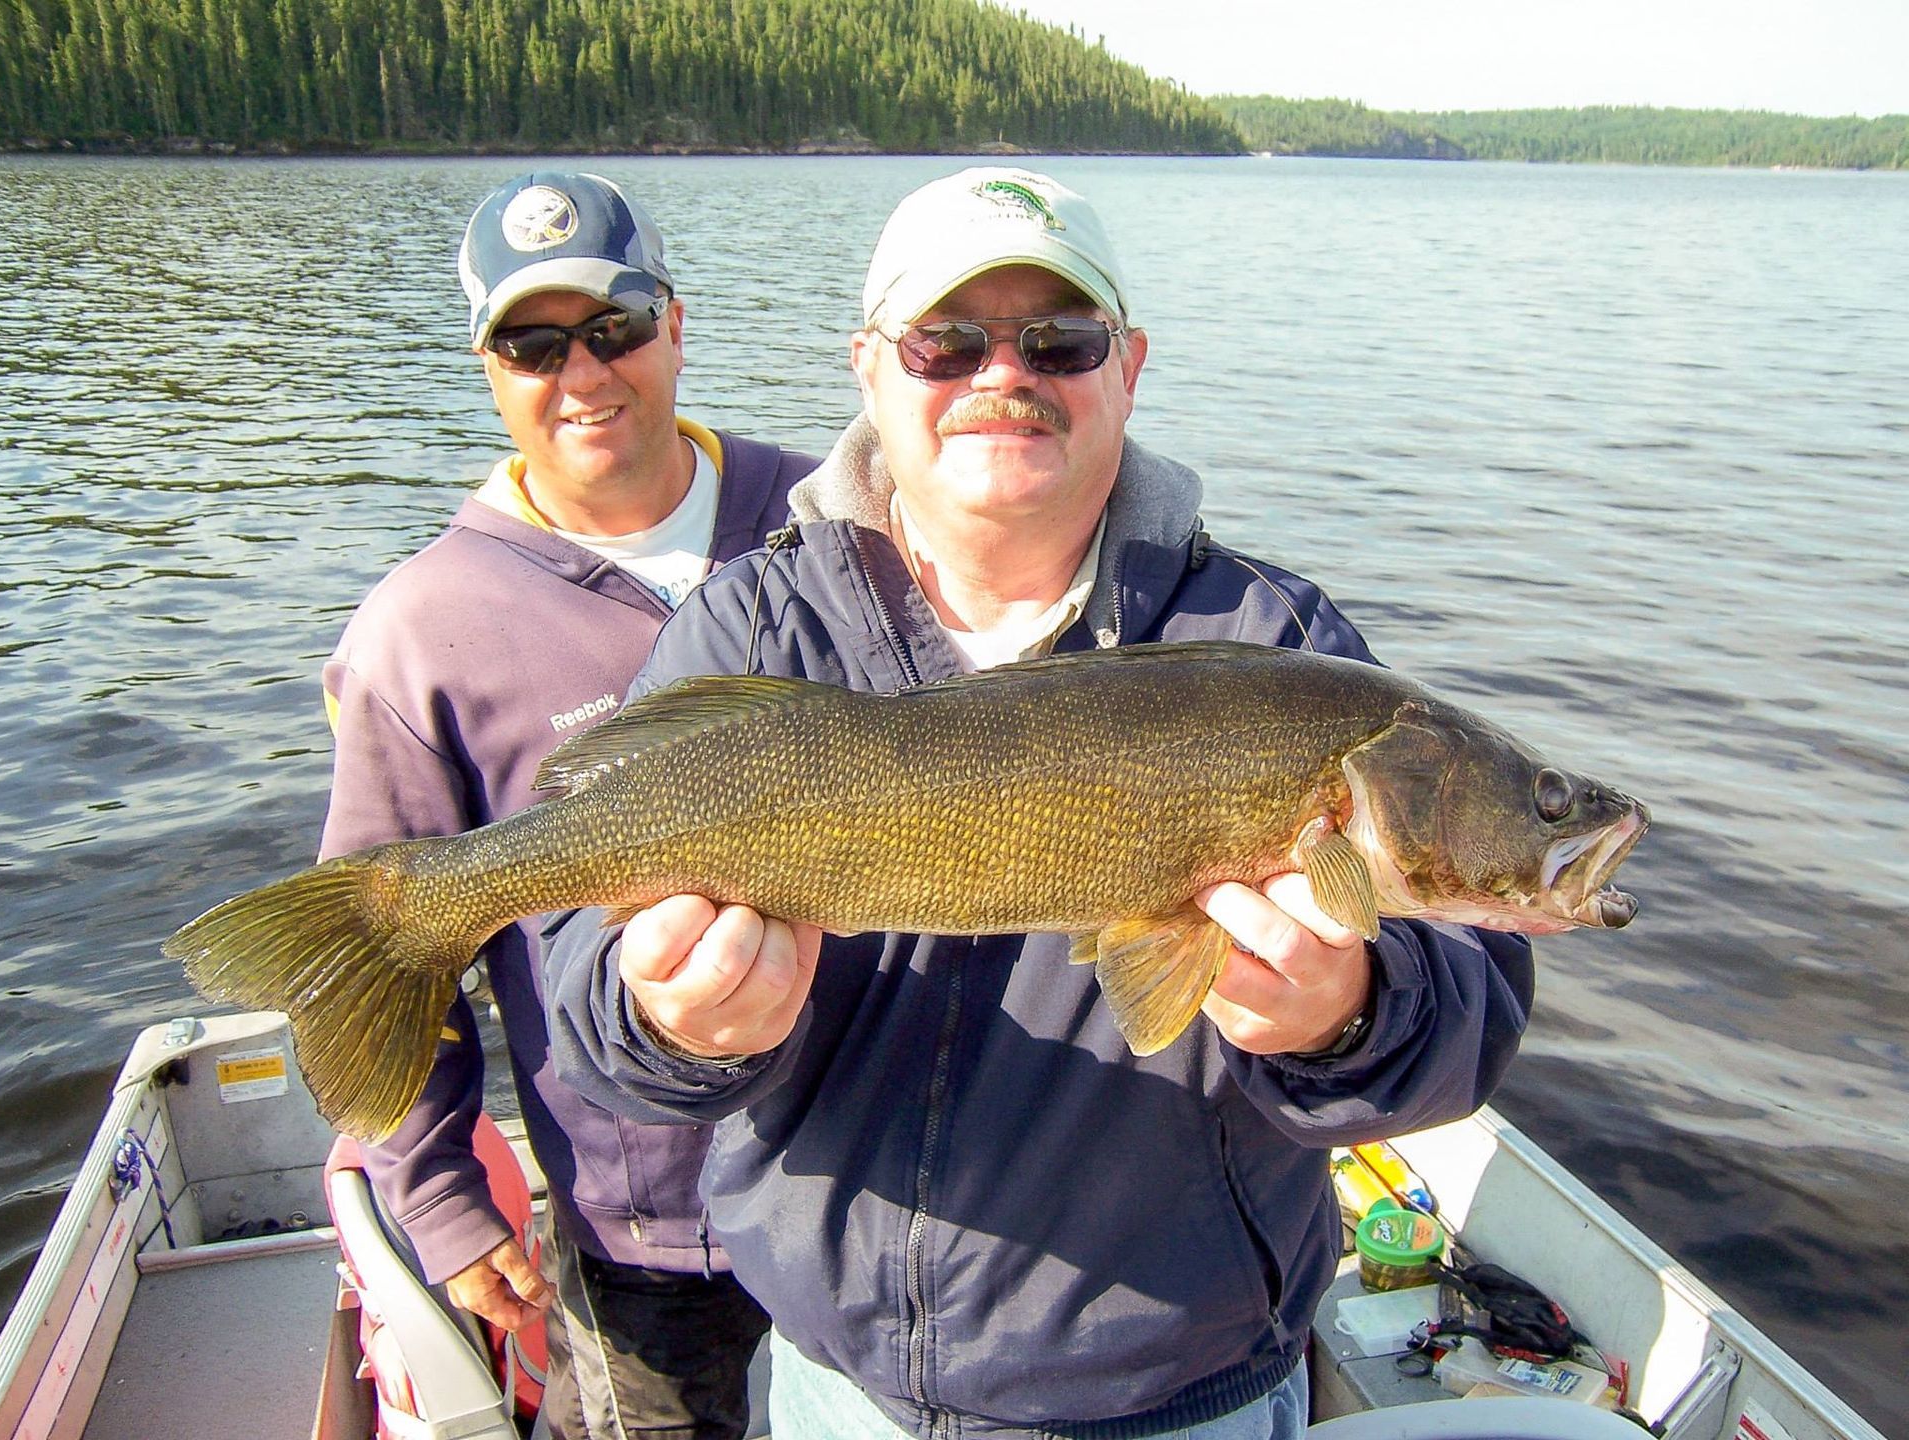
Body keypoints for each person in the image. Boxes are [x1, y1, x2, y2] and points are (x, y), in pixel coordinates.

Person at [542, 167, 1534, 1438]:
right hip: (837, 1394)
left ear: (1128, 367)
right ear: (869, 368)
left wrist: (1344, 1015)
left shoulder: (1277, 645)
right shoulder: (751, 631)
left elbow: (1465, 1026)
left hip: (1178, 1402)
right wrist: (669, 1019)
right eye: (945, 340)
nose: (1001, 374)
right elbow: (585, 1017)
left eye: (1058, 341)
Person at [321, 170, 814, 1439]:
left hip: (885, 1177)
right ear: (488, 367)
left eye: (614, 328)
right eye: (533, 345)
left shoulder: (835, 521)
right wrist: (437, 1199)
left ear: (675, 324)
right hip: (645, 1222)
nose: (583, 375)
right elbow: (378, 967)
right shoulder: (420, 631)